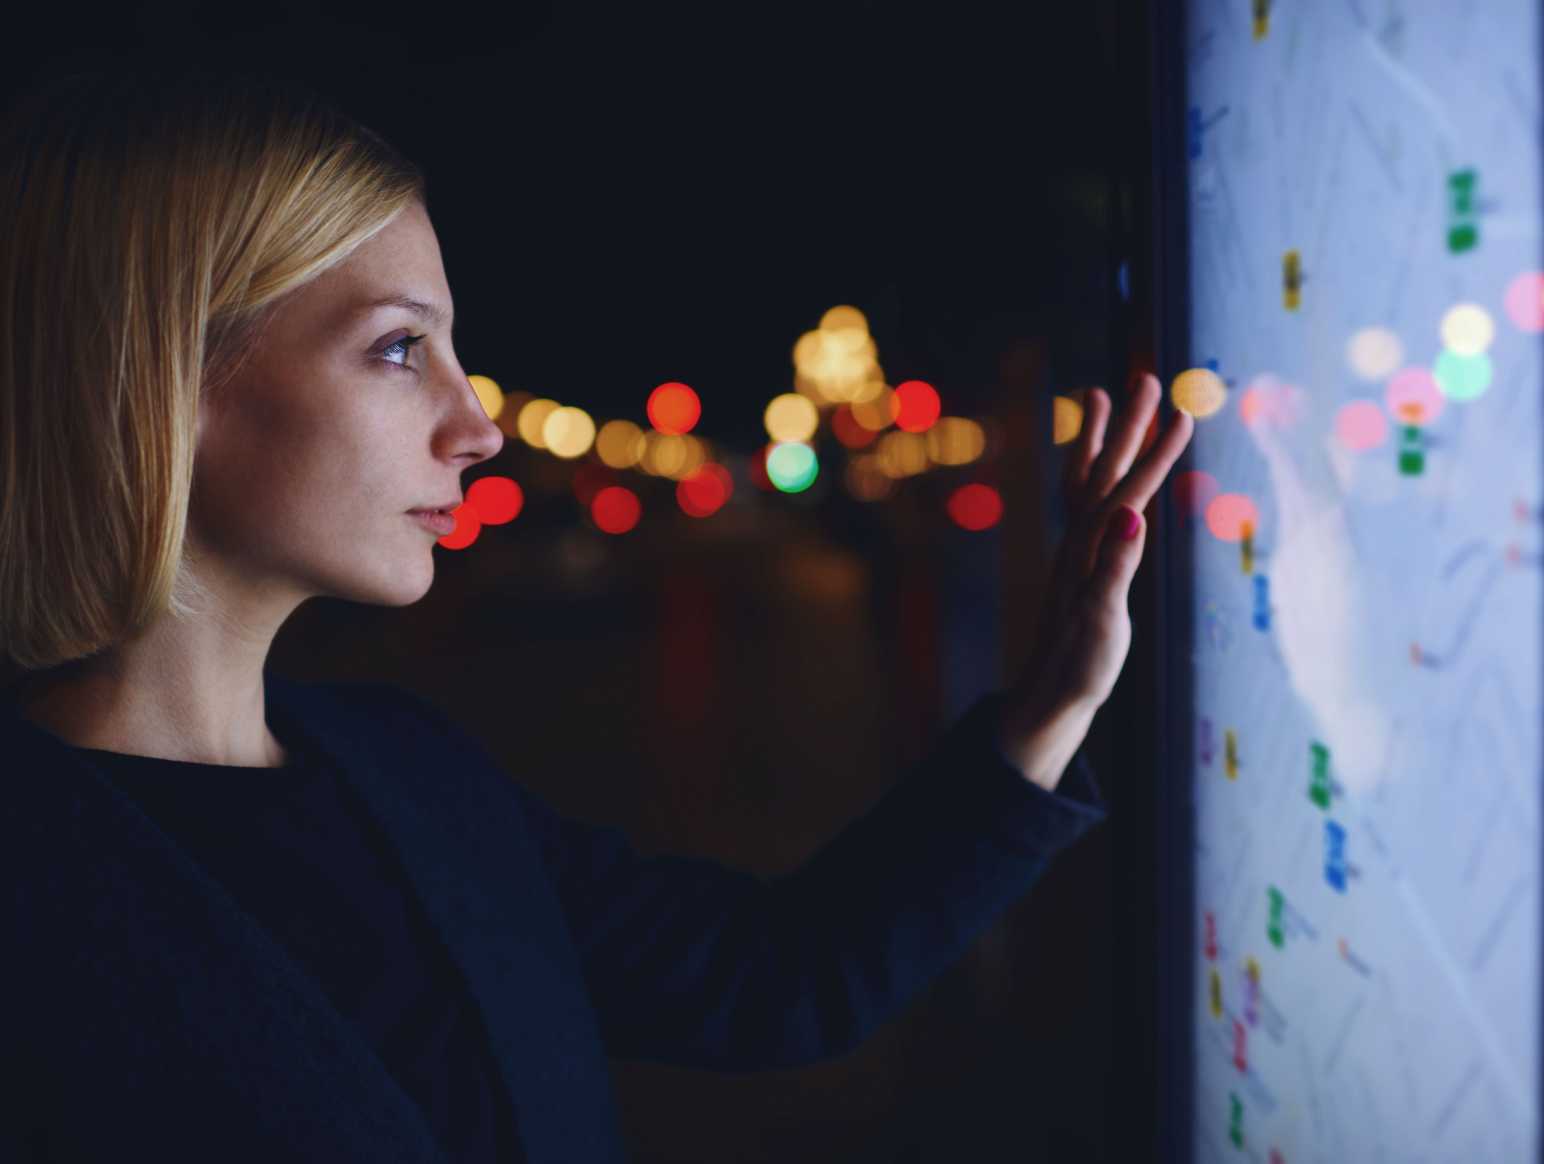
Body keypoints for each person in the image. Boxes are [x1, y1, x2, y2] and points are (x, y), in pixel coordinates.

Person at [0, 65, 1193, 1163]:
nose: (480, 426)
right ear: (163, 376)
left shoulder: (409, 772)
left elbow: (774, 980)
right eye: (400, 348)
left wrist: (1053, 699)